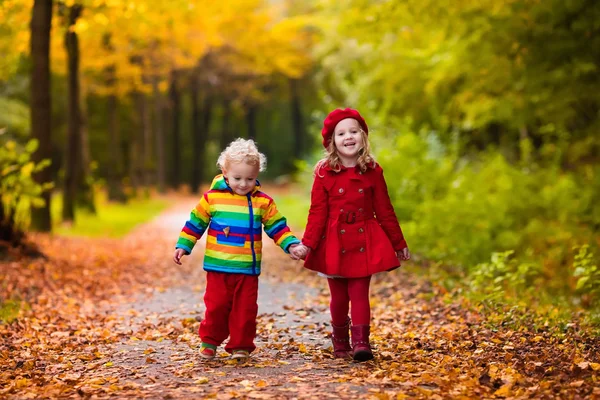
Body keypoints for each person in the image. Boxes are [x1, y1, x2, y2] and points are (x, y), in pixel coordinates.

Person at [173, 138, 307, 361]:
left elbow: (277, 226)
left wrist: (291, 244)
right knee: (216, 307)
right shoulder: (212, 199)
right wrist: (183, 245)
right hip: (218, 267)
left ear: (257, 175)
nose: (244, 184)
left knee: (244, 311)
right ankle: (209, 342)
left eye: (250, 178)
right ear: (225, 172)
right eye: (237, 178)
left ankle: (240, 346)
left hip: (247, 269)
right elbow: (195, 223)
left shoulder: (262, 202)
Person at [299, 108, 410, 362]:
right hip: (333, 241)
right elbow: (317, 213)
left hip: (363, 239)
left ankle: (362, 342)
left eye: (353, 131)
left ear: (362, 137)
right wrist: (308, 245)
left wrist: (398, 242)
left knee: (360, 293)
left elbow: (385, 210)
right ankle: (340, 342)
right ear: (332, 142)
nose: (348, 137)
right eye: (341, 133)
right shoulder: (324, 172)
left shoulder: (373, 171)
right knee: (338, 297)